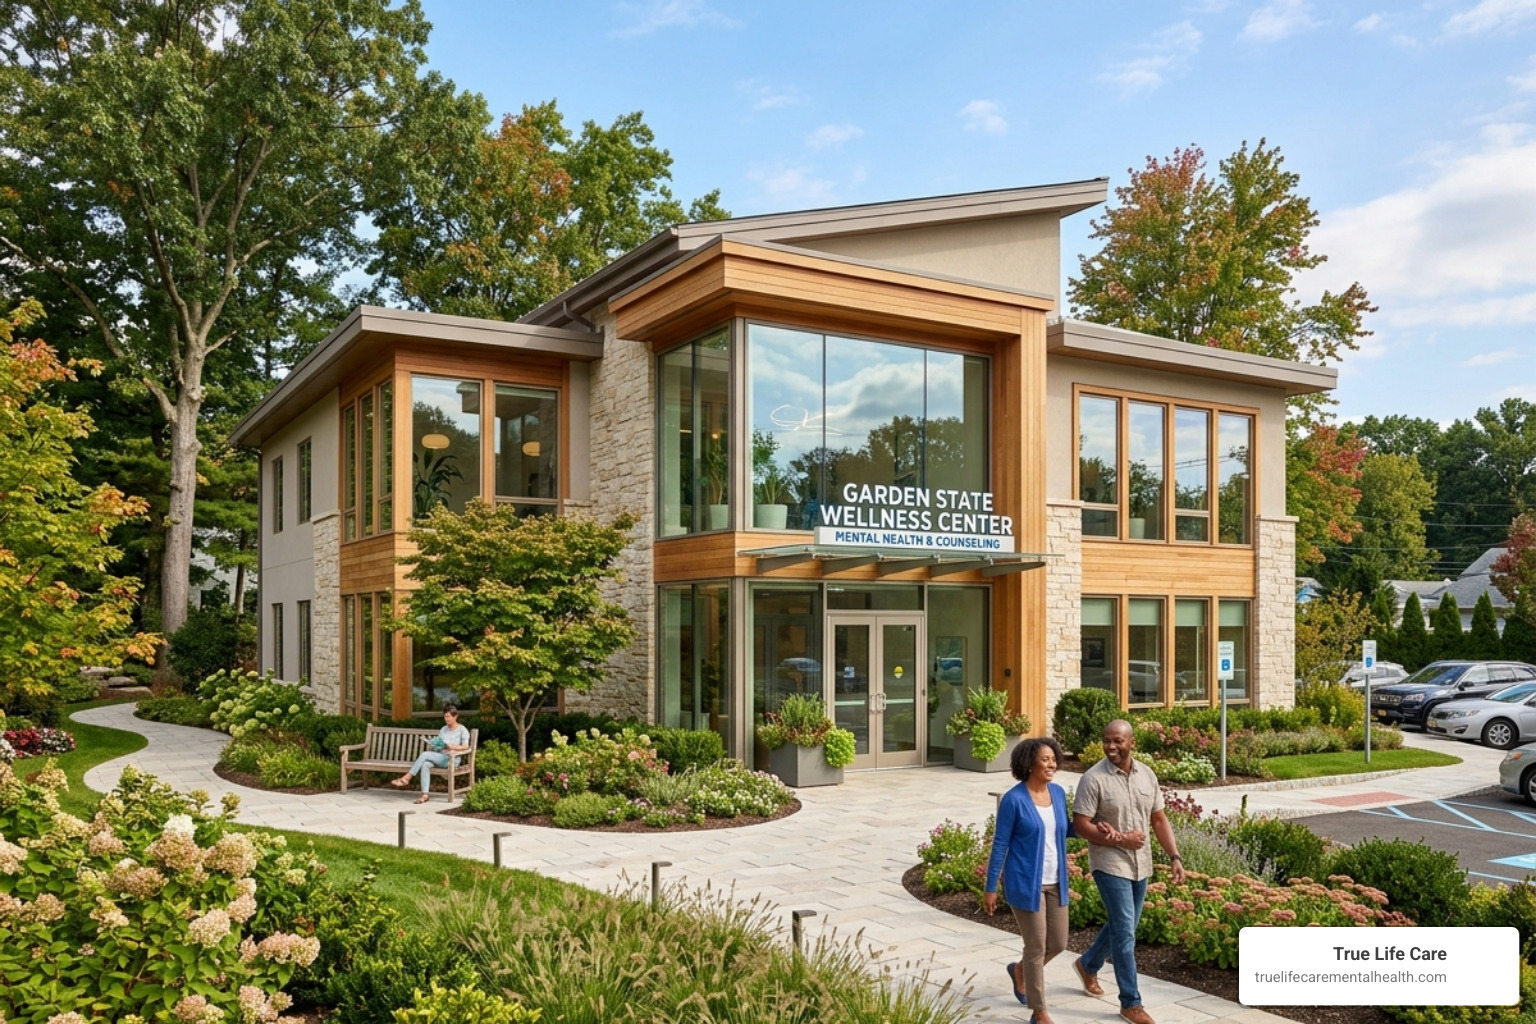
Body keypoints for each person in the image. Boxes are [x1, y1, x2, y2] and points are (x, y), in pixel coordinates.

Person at [1070, 719, 1185, 1024]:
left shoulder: (1146, 775)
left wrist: (1174, 856)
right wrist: (1120, 839)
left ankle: (1088, 964)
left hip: (1141, 865)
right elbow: (1081, 825)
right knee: (1125, 935)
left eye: (1118, 741)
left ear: (1132, 742)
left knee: (1125, 927)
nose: (1111, 747)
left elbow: (1158, 820)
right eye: (1107, 740)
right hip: (1109, 865)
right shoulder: (1093, 779)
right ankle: (1130, 1002)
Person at [984, 736, 1074, 1023]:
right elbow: (1000, 845)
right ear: (1029, 763)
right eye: (1045, 759)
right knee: (1035, 946)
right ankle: (1039, 1011)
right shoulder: (1014, 800)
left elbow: (1066, 829)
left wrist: (1096, 827)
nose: (1052, 764)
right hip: (1025, 882)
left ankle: (1020, 971)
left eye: (1053, 759)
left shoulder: (1058, 793)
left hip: (1056, 881)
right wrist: (990, 888)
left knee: (1058, 942)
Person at [391, 705, 471, 804]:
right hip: (441, 756)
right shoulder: (443, 729)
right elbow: (440, 744)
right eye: (445, 716)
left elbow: (466, 747)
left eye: (449, 716)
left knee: (425, 755)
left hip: (452, 759)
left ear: (455, 716)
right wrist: (434, 744)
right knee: (425, 764)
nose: (447, 719)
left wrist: (452, 747)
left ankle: (407, 778)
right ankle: (425, 795)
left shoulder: (462, 730)